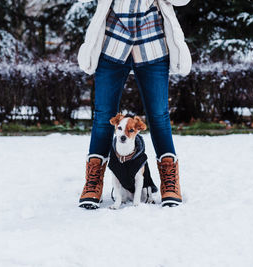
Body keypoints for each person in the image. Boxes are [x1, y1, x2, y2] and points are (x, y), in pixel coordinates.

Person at [77, 0, 192, 209]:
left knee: (159, 116)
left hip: (152, 43)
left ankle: (169, 182)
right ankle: (93, 183)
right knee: (103, 117)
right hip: (113, 43)